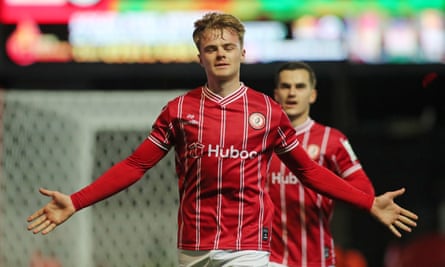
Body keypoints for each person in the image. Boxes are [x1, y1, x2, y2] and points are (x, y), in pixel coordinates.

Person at [27, 12, 418, 267]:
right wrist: (76, 202)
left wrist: (368, 202)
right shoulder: (179, 111)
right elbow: (135, 165)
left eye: (227, 47)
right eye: (210, 48)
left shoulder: (267, 112)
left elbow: (309, 171)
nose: (220, 54)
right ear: (200, 57)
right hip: (192, 247)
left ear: (243, 52)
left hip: (249, 246)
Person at [267, 62, 375, 267]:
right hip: (265, 258)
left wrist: (324, 185)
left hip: (315, 257)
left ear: (313, 95)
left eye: (299, 87)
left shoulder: (332, 140)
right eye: (285, 86)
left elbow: (364, 190)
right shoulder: (259, 140)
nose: (292, 93)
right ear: (275, 94)